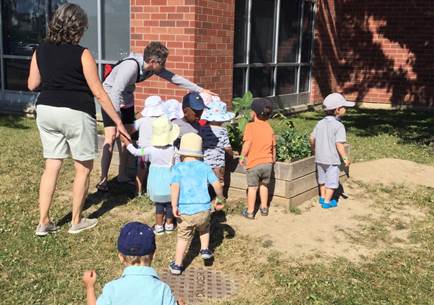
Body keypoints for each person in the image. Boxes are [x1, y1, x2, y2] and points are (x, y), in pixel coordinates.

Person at [28, 3, 130, 236]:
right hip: (76, 112)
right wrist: (118, 123)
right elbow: (99, 92)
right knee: (83, 168)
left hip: (46, 110)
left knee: (52, 165)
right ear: (77, 27)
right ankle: (76, 220)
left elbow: (32, 84)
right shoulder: (82, 54)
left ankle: (43, 222)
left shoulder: (40, 50)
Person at [98, 41, 216, 191]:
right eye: (163, 62)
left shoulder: (152, 68)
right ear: (153, 61)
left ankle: (122, 175)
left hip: (126, 99)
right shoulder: (131, 67)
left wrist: (200, 90)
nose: (164, 66)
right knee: (111, 135)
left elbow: (174, 78)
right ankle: (103, 180)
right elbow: (115, 92)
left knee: (126, 136)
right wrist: (117, 120)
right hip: (110, 98)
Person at [82, 222, 183, 305]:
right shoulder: (162, 290)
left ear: (121, 257)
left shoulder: (112, 289)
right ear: (154, 255)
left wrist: (90, 287)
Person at [169, 133, 225, 275]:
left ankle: (177, 265)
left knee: (183, 237)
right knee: (204, 228)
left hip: (185, 211)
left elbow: (175, 188)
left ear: (182, 153)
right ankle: (205, 249)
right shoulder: (205, 167)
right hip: (204, 209)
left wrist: (174, 206)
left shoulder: (177, 168)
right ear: (200, 154)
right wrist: (220, 198)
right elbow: (217, 184)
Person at [124, 116, 180, 234]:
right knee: (170, 204)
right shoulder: (174, 150)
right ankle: (169, 224)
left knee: (159, 205)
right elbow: (178, 165)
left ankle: (159, 226)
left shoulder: (151, 149)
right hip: (170, 182)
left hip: (156, 183)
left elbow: (136, 152)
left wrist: (127, 143)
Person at [309, 93, 353, 209]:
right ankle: (327, 202)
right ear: (338, 110)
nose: (346, 109)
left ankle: (322, 197)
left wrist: (314, 149)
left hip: (320, 158)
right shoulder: (339, 126)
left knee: (322, 180)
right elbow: (339, 144)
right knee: (332, 182)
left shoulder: (320, 123)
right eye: (344, 107)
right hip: (332, 160)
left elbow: (312, 138)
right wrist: (345, 158)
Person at [239, 99, 276, 219]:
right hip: (267, 163)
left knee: (252, 188)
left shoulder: (250, 127)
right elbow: (273, 146)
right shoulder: (269, 128)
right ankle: (264, 208)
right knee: (264, 185)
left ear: (254, 113)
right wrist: (273, 159)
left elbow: (247, 144)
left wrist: (242, 156)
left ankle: (250, 212)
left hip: (254, 163)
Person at [200, 98, 235, 209]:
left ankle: (205, 202)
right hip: (218, 163)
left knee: (205, 183)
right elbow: (227, 147)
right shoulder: (222, 131)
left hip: (204, 161)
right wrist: (232, 154)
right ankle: (218, 202)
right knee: (219, 182)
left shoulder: (202, 129)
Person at [129, 95, 165, 196]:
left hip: (143, 150)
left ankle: (138, 190)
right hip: (157, 149)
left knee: (141, 171)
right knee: (157, 171)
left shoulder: (142, 120)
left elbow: (131, 130)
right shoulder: (163, 121)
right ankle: (155, 191)